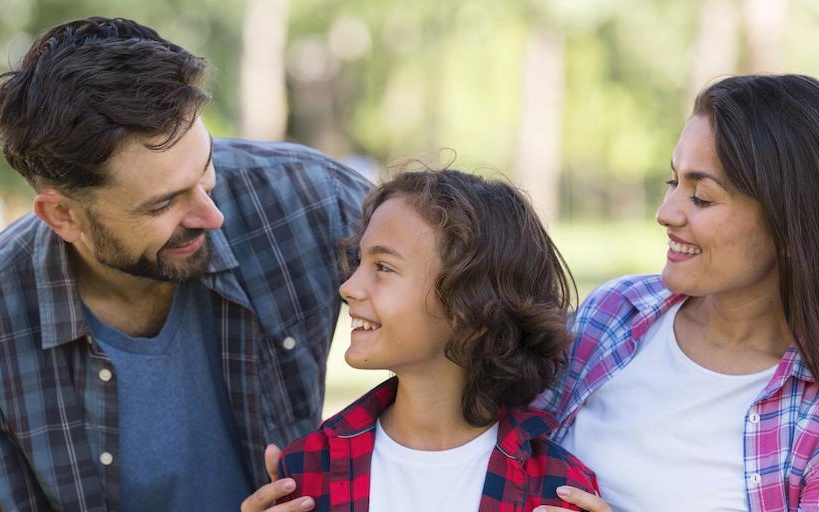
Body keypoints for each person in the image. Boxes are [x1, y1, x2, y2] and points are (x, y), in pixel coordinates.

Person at [0, 16, 371, 511]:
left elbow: (488, 299)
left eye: (205, 169)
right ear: (63, 215)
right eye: (162, 204)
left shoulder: (304, 199)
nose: (212, 215)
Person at [533, 74, 819, 512]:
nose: (665, 213)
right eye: (673, 183)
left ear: (790, 221)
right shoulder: (614, 314)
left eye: (701, 197)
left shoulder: (809, 416)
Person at [245, 168, 599, 512]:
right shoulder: (307, 471)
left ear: (472, 309)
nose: (348, 287)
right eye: (358, 263)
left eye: (383, 267)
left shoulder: (559, 491)